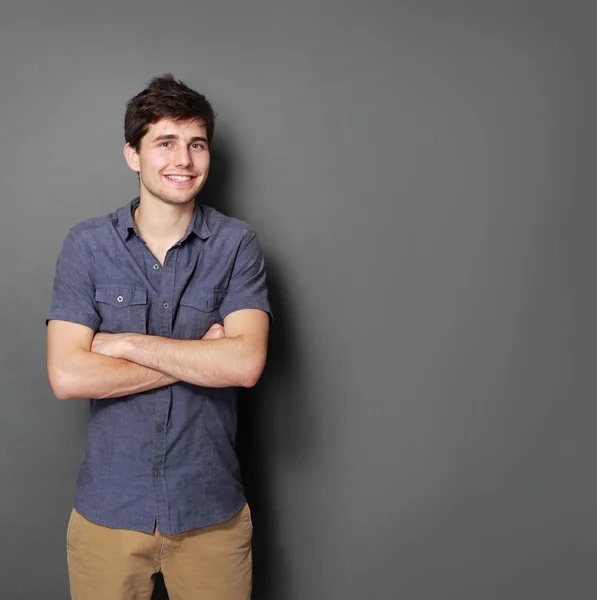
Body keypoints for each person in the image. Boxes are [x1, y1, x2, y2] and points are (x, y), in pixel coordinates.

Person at [46, 74, 271, 600]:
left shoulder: (237, 245)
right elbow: (67, 374)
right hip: (109, 515)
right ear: (133, 155)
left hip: (210, 514)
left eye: (196, 144)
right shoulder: (87, 246)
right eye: (165, 143)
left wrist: (122, 343)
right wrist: (204, 353)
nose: (183, 160)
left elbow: (245, 365)